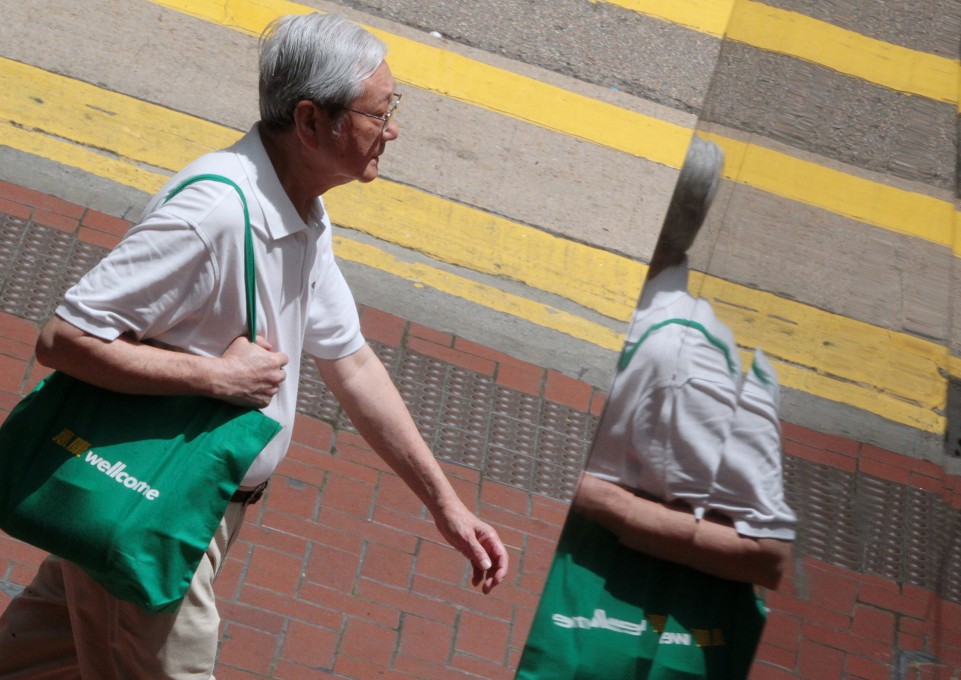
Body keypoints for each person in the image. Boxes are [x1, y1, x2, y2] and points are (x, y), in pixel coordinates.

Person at [0, 13, 507, 679]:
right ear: (309, 121)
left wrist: (445, 502)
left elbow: (350, 362)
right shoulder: (214, 212)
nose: (392, 129)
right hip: (152, 512)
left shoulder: (301, 209)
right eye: (379, 112)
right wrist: (215, 380)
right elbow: (64, 339)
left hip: (164, 504)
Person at [516, 137, 794, 679]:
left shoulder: (681, 358)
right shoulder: (613, 305)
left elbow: (767, 555)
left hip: (600, 619)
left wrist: (594, 497)